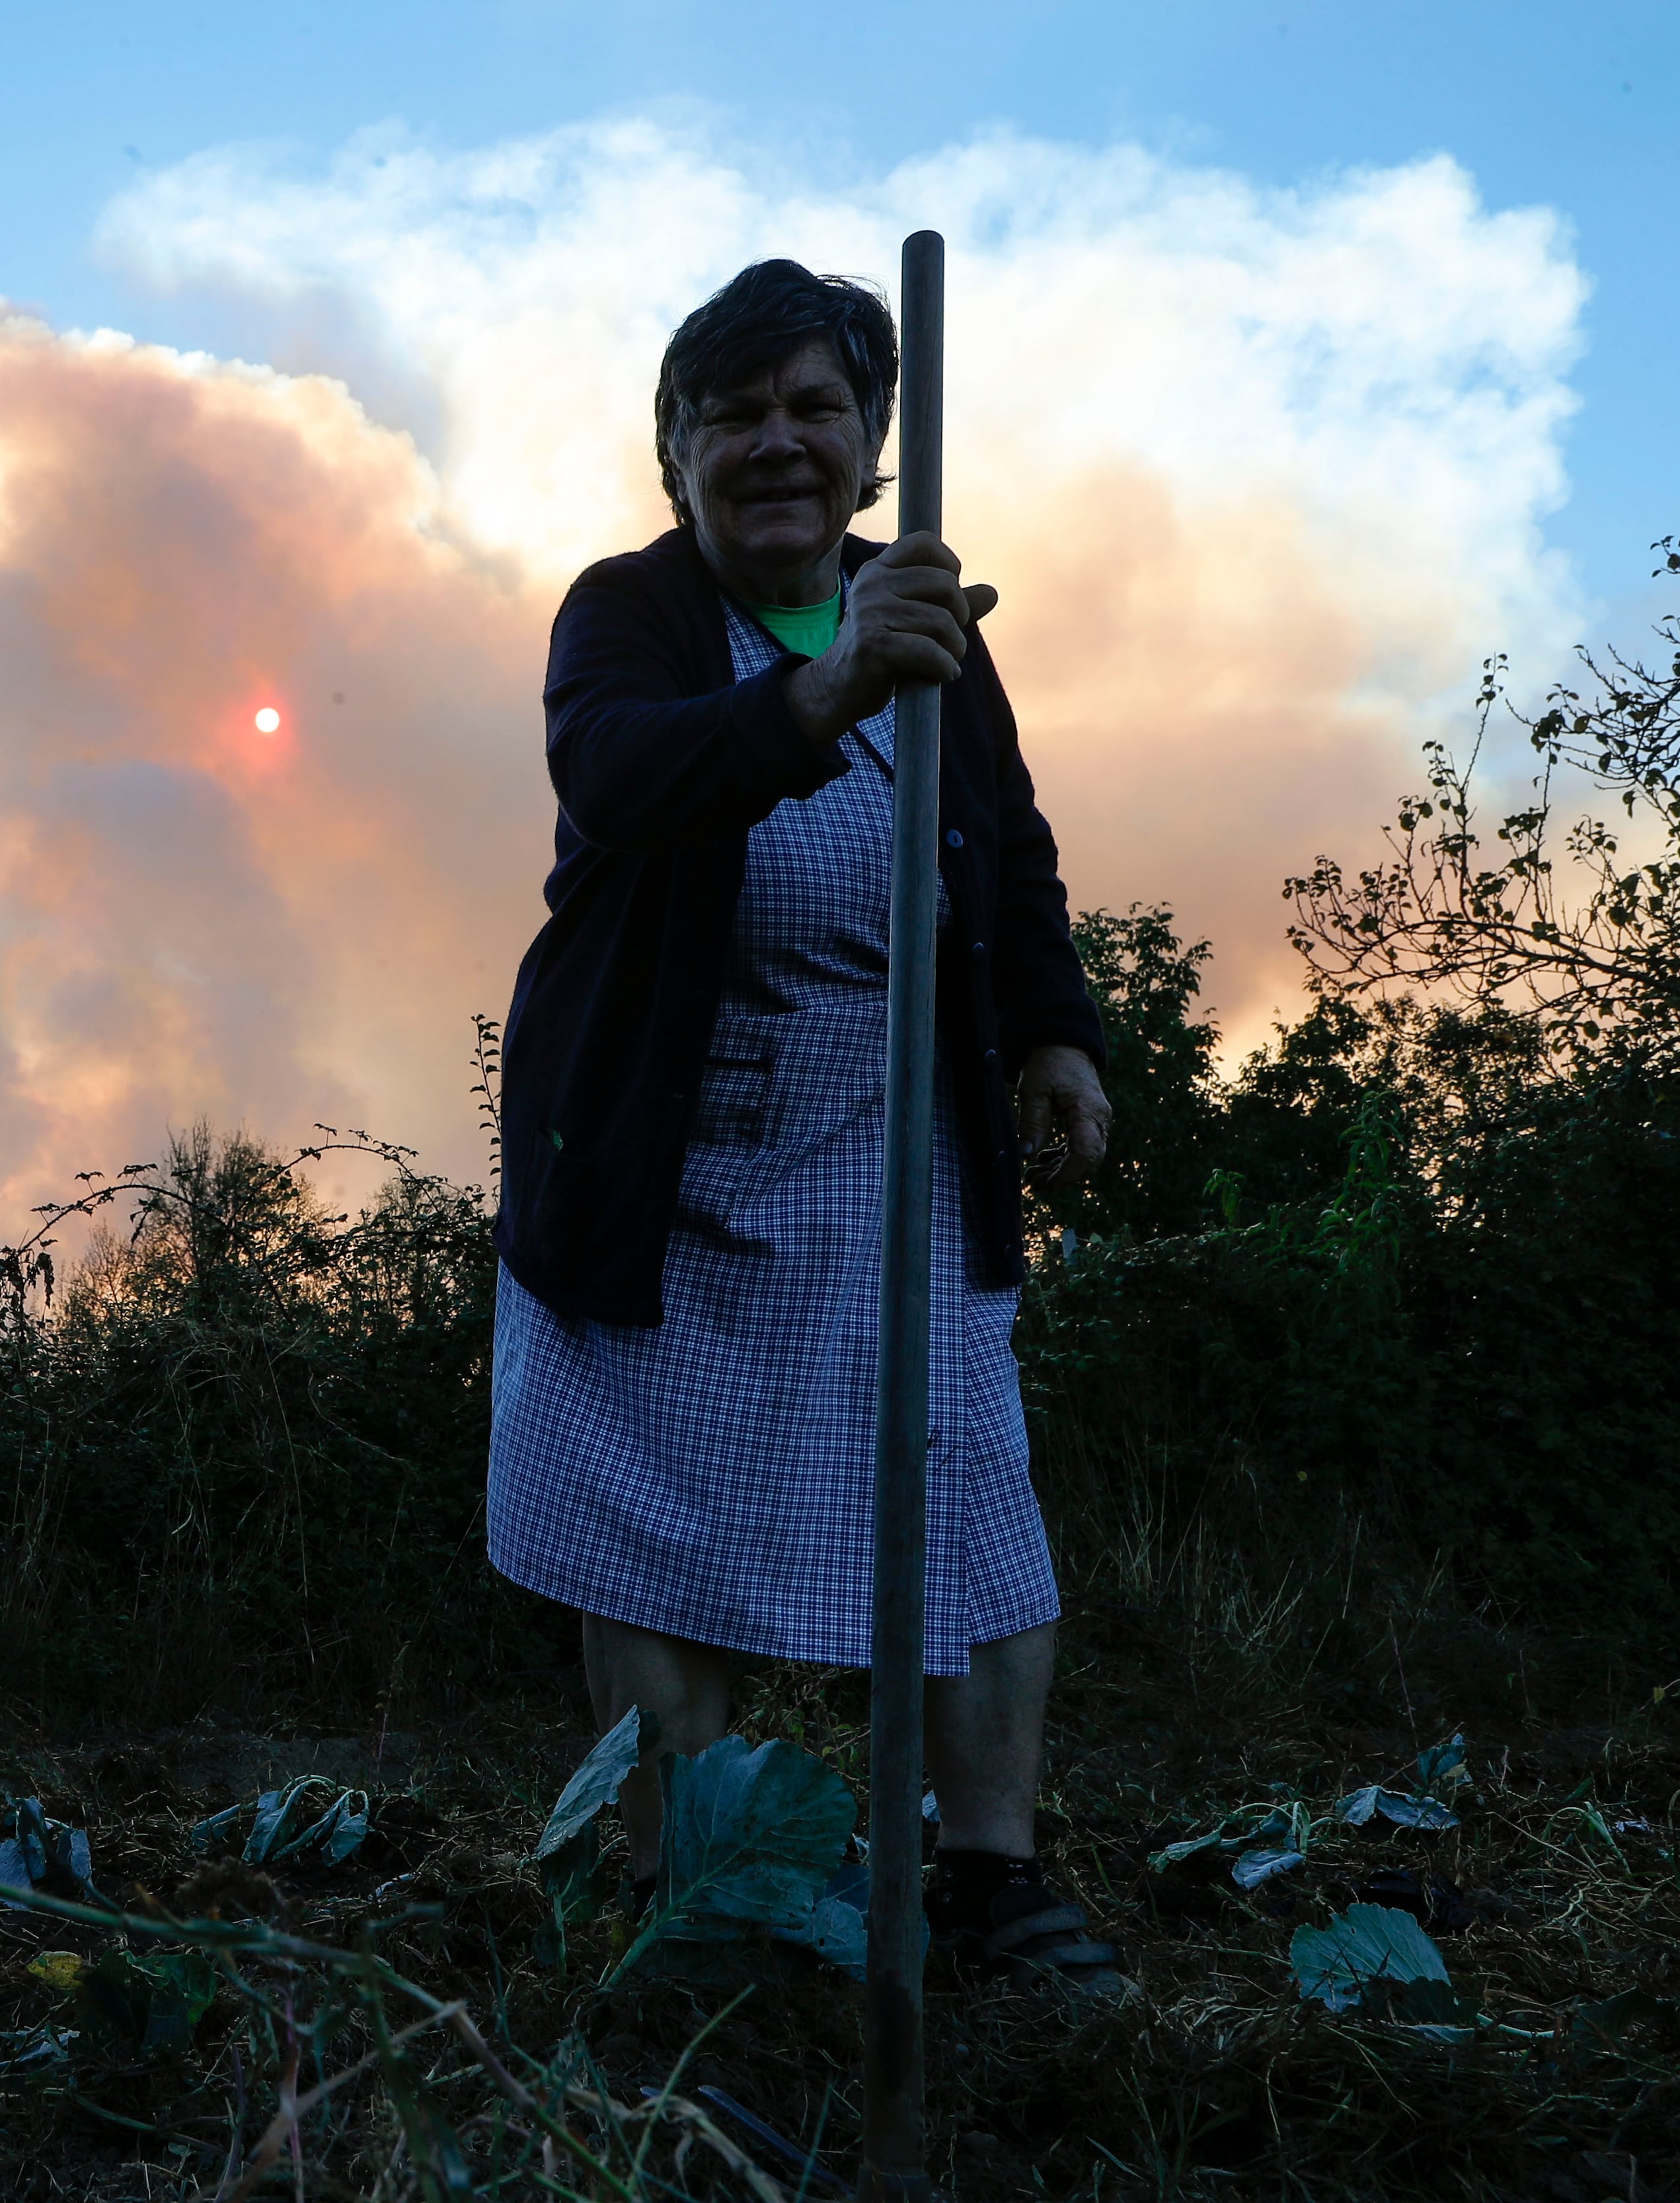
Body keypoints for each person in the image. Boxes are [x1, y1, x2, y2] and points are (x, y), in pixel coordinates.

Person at [486, 258, 1126, 1994]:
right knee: (653, 1534)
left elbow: (1011, 849)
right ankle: (698, 1909)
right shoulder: (627, 613)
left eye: (811, 408)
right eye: (731, 412)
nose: (773, 442)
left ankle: (988, 1883)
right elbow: (619, 776)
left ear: (873, 444)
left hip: (891, 1151)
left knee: (968, 1516)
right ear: (678, 450)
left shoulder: (935, 629)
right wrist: (831, 685)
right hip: (656, 1171)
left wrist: (1055, 1032)